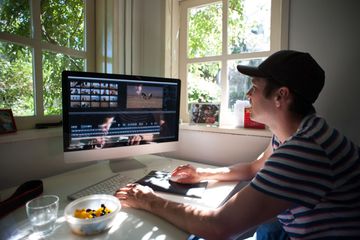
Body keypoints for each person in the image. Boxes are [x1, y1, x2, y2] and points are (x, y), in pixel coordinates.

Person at [115, 50, 360, 239]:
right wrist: (201, 173)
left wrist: (150, 200)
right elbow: (255, 168)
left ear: (280, 96)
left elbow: (220, 227)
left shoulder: (304, 149)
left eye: (254, 88)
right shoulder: (297, 132)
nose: (247, 96)